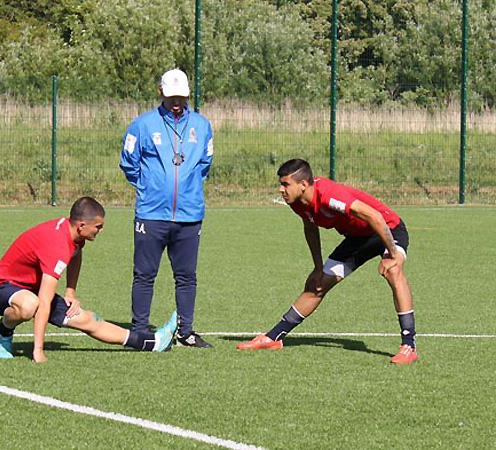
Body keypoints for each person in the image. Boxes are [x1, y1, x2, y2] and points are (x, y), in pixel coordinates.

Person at [237, 159, 418, 365]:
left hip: (388, 228)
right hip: (358, 239)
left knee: (393, 271)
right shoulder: (296, 201)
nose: (281, 189)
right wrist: (317, 267)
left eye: (285, 184)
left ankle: (409, 346)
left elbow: (374, 216)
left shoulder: (329, 196)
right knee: (318, 283)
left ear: (303, 185)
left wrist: (393, 254)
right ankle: (273, 338)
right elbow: (310, 228)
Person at [0, 196, 178, 363]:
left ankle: (152, 342)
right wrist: (38, 350)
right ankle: (4, 331)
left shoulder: (74, 235)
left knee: (87, 319)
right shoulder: (57, 245)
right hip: (2, 289)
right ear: (81, 226)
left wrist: (70, 291)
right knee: (30, 305)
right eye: (98, 226)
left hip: (32, 290)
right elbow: (44, 301)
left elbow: (75, 254)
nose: (101, 230)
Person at [120, 68, 214, 348]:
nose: (176, 102)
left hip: (189, 215)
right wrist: (148, 187)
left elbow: (205, 163)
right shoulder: (142, 125)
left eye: (181, 97)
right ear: (160, 92)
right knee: (144, 275)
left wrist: (189, 188)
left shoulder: (202, 125)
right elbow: (128, 162)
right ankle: (139, 330)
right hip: (151, 214)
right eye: (172, 96)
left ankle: (186, 332)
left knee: (186, 276)